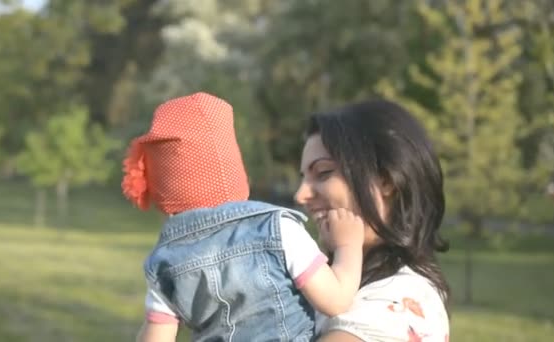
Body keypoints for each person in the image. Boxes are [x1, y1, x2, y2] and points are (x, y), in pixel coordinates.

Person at [122, 92, 365, 342]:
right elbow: (335, 301)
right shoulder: (277, 229)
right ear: (234, 170)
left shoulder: (165, 262)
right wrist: (349, 245)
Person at [294, 99, 451, 341]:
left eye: (323, 173)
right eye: (303, 177)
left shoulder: (399, 304)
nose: (301, 195)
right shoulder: (326, 282)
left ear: (386, 180)